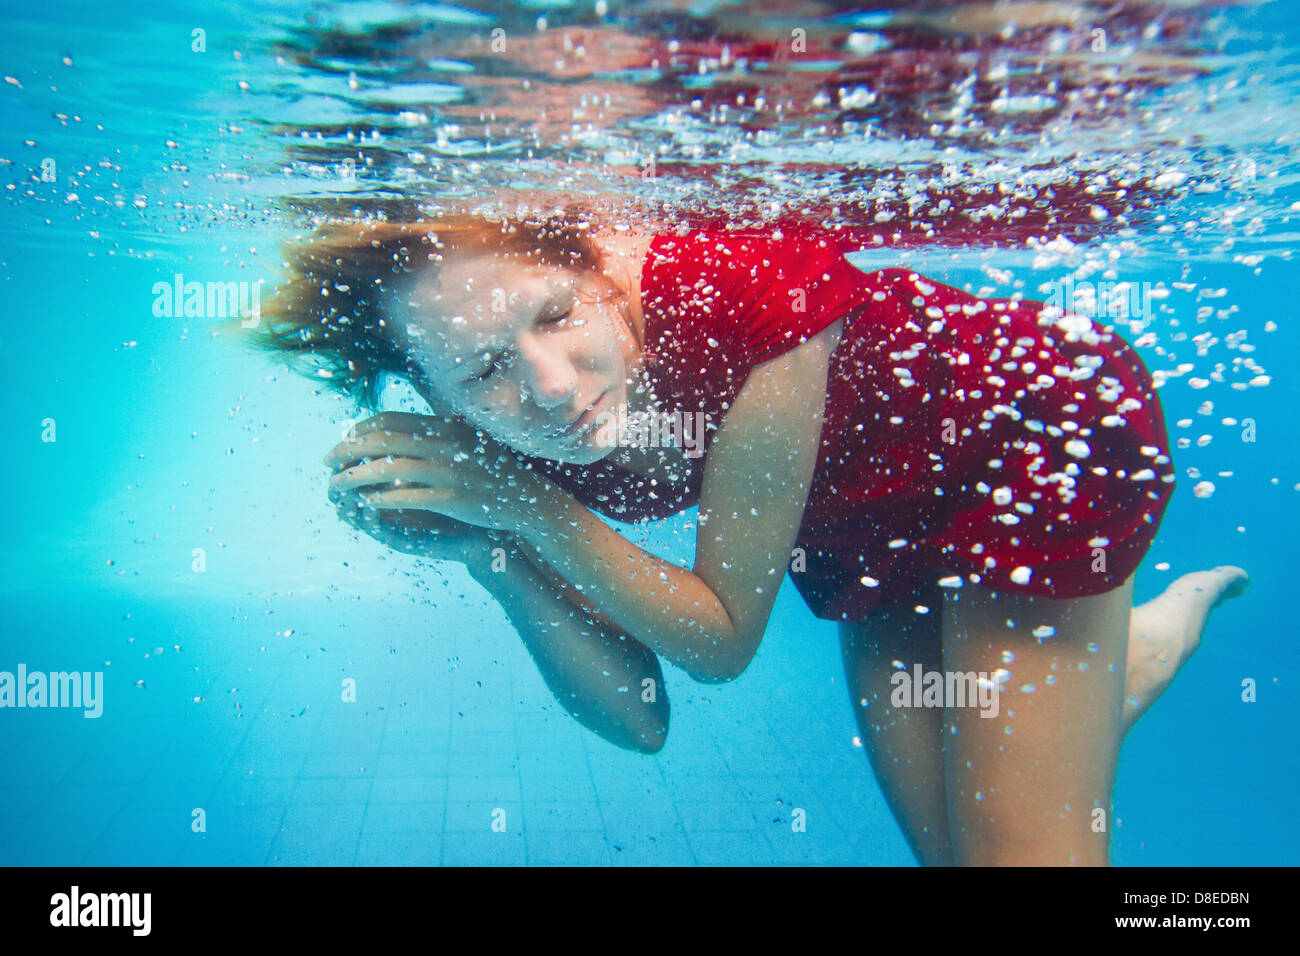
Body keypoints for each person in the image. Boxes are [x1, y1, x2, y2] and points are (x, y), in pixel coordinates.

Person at [249, 210, 1247, 865]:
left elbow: (720, 640)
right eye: (481, 371)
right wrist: (489, 550)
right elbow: (640, 718)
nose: (549, 387)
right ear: (430, 391)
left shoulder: (736, 290)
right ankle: (1100, 674)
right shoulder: (491, 442)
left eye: (557, 315)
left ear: (601, 272)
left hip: (1022, 437)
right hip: (859, 516)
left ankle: (1089, 667)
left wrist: (521, 505)